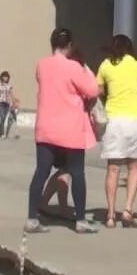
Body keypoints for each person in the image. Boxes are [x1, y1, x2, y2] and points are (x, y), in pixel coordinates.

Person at [26, 28, 100, 234]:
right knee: (77, 173)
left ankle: (32, 218)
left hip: (45, 128)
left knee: (41, 171)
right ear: (69, 46)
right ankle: (81, 221)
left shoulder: (41, 65)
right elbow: (93, 90)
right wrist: (84, 69)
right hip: (71, 129)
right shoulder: (74, 68)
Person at [95, 34, 137, 229]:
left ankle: (109, 215)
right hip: (134, 120)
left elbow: (97, 91)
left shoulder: (105, 65)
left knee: (113, 168)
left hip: (113, 120)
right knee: (134, 166)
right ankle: (127, 210)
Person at [0, 71, 20, 140]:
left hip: (6, 104)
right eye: (4, 76)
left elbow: (12, 95)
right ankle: (2, 133)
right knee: (2, 116)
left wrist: (14, 103)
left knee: (3, 119)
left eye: (7, 77)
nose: (5, 78)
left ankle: (0, 132)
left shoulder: (9, 86)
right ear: (1, 77)